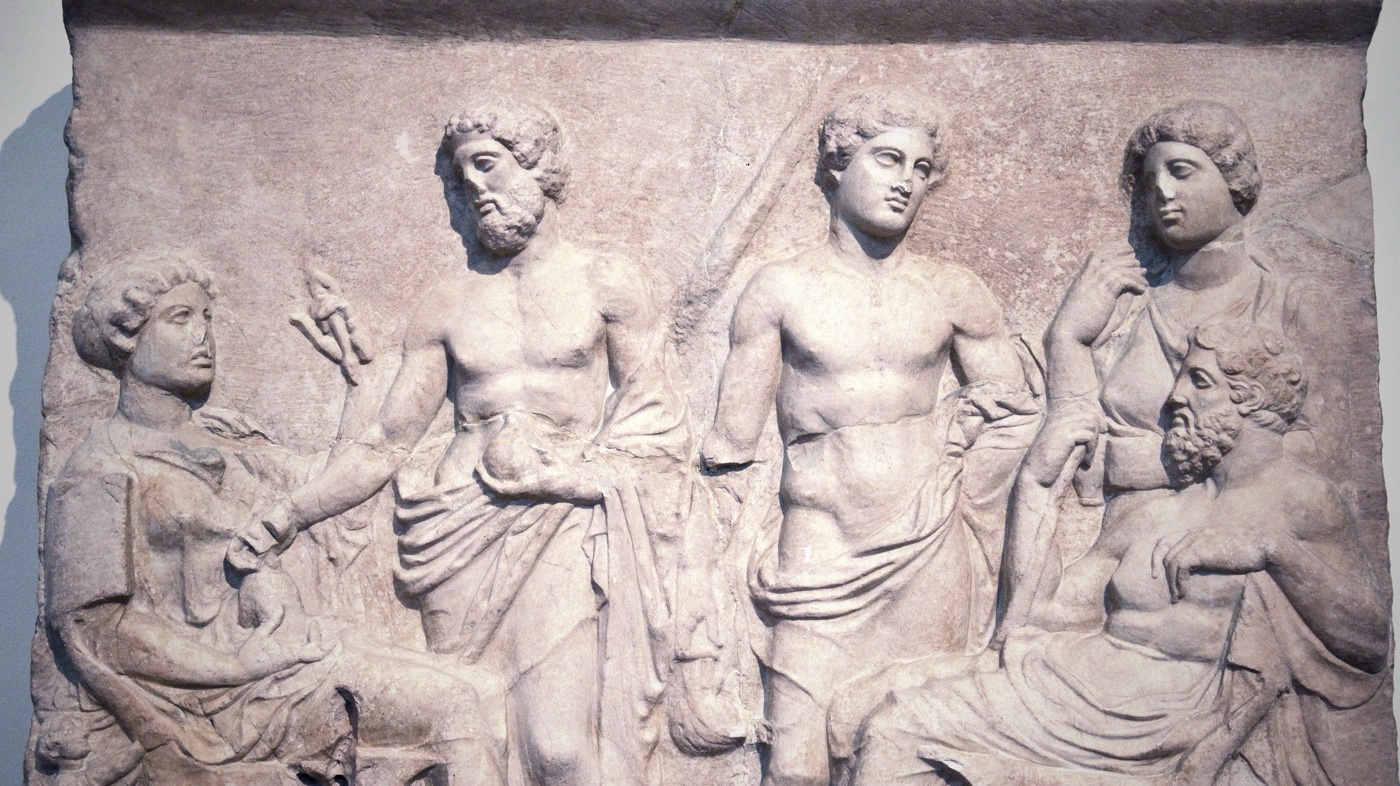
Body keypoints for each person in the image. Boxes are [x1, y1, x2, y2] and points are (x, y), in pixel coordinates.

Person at [235, 98, 695, 786]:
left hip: (561, 523)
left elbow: (655, 414)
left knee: (559, 747)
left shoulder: (608, 282)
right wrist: (287, 516)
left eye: (488, 164)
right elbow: (386, 442)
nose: (475, 185)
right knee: (473, 735)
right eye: (461, 175)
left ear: (537, 168)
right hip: (455, 532)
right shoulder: (446, 304)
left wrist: (572, 476)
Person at [832, 321, 1388, 786]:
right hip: (1080, 684)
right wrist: (1037, 488)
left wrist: (1272, 550)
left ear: (1252, 399)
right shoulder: (1159, 509)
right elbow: (1046, 612)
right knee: (864, 710)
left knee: (895, 733)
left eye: (1199, 381)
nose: (1175, 398)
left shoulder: (1303, 501)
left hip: (1161, 719)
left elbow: (1368, 643)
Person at [36, 254, 505, 786]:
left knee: (487, 690)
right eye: (180, 318)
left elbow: (324, 490)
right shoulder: (100, 467)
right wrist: (237, 666)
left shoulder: (229, 437)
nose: (203, 336)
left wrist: (361, 383)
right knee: (457, 705)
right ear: (125, 336)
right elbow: (97, 633)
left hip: (290, 654)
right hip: (211, 694)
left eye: (207, 318)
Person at [700, 87, 1039, 786]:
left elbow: (1014, 413)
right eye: (887, 159)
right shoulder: (780, 289)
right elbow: (731, 446)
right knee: (795, 769)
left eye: (921, 168)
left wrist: (961, 441)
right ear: (837, 164)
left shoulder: (953, 290)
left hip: (929, 547)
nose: (906, 182)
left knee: (910, 759)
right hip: (817, 551)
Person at [1045, 100, 1303, 503]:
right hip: (1121, 531)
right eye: (1150, 182)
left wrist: (1138, 462)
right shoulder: (1127, 300)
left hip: (1233, 530)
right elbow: (1075, 456)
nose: (1163, 191)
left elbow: (1314, 449)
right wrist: (1067, 337)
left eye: (1181, 172)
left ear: (1233, 179)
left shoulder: (1286, 303)